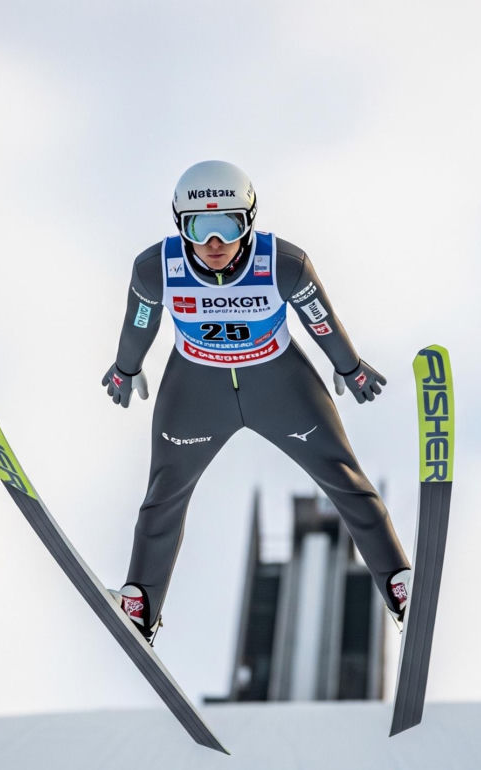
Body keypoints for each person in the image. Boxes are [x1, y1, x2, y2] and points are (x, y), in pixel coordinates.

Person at [102, 160, 410, 642]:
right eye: (199, 228)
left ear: (249, 221)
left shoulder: (284, 263)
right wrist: (126, 367)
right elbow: (139, 322)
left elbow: (319, 318)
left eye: (228, 225)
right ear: (181, 225)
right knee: (165, 492)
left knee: (343, 476)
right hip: (196, 389)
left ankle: (397, 583)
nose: (214, 243)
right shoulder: (156, 267)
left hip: (279, 384)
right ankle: (141, 601)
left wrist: (349, 366)